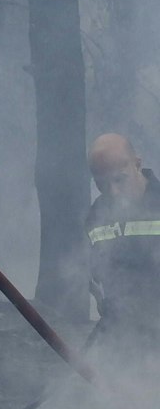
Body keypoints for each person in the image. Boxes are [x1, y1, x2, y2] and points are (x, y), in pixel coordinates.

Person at [85, 133, 160, 349]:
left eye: (120, 179)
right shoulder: (96, 215)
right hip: (119, 336)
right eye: (102, 184)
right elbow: (89, 270)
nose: (113, 192)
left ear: (137, 164)